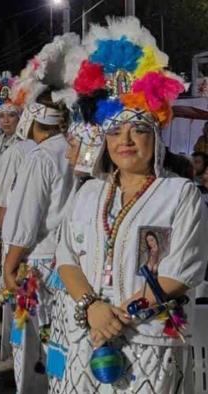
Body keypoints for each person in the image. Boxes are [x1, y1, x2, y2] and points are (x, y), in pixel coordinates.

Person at [53, 17, 207, 393]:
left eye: (138, 130)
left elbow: (182, 270)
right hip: (85, 334)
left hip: (147, 339)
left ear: (156, 137)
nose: (126, 140)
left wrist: (118, 316)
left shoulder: (181, 194)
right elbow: (67, 257)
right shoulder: (88, 193)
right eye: (115, 132)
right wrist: (93, 308)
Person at [0, 33, 79, 394]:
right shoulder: (75, 151)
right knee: (64, 338)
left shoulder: (39, 157)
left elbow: (27, 218)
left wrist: (9, 263)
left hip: (43, 262)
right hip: (73, 262)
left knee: (45, 338)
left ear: (32, 117)